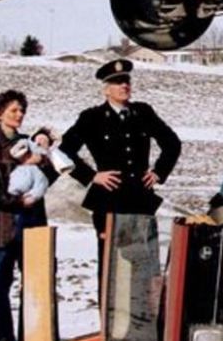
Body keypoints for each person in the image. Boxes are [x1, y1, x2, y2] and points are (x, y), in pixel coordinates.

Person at [59, 59, 182, 261]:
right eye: (117, 82)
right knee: (110, 262)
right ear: (106, 90)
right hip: (108, 201)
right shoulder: (92, 118)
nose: (124, 86)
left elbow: (172, 143)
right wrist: (92, 176)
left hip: (140, 199)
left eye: (126, 81)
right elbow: (63, 152)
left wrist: (159, 172)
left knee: (143, 261)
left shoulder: (143, 113)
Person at [0, 89, 59, 341]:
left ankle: (31, 336)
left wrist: (44, 156)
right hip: (1, 226)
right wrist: (17, 201)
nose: (19, 115)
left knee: (34, 284)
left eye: (22, 110)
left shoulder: (30, 144)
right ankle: (3, 336)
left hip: (32, 223)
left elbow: (50, 177)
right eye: (13, 110)